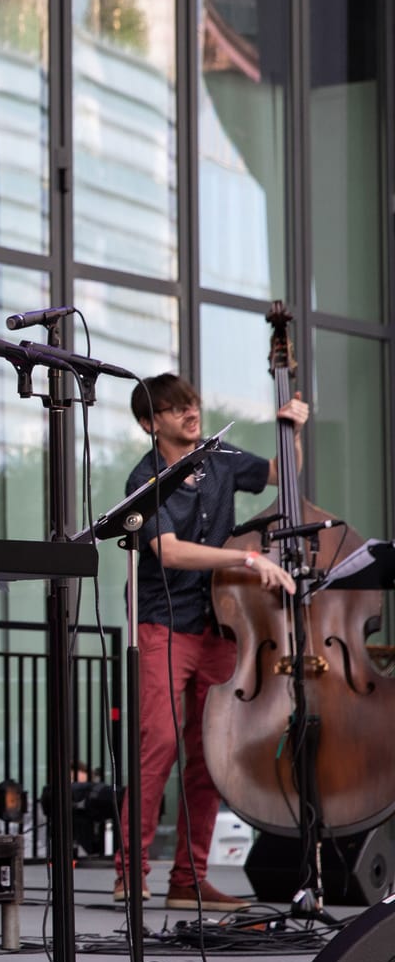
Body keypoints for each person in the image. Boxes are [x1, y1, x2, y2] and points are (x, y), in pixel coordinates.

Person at [118, 373, 305, 912]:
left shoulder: (219, 457)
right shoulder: (145, 476)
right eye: (177, 409)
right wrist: (247, 558)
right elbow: (171, 553)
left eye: (192, 404)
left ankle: (189, 880)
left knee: (211, 756)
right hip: (163, 622)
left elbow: (277, 476)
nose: (190, 413)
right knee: (159, 746)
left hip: (218, 625)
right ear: (152, 423)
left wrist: (289, 430)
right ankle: (131, 872)